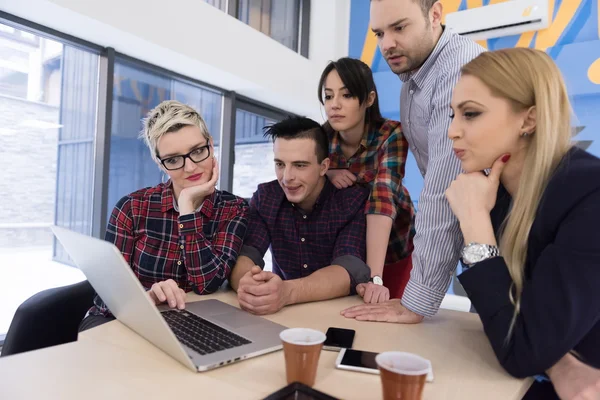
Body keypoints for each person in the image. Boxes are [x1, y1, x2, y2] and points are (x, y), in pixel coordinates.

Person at [344, 48, 600, 396]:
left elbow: (521, 351)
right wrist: (556, 359)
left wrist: (475, 222)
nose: (452, 132)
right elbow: (507, 320)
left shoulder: (589, 194)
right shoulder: (498, 193)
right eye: (452, 115)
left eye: (471, 114)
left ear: (529, 119)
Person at [79, 100, 248, 330]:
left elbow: (207, 283)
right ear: (160, 164)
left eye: (198, 151)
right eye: (174, 159)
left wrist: (187, 208)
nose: (190, 168)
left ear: (210, 145)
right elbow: (108, 296)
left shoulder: (233, 208)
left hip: (192, 327)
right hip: (123, 323)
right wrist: (147, 298)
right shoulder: (132, 207)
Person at [365, 0, 485, 321]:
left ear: (435, 15)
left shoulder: (458, 70)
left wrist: (415, 300)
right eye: (379, 33)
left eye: (399, 27)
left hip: (513, 240)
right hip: (479, 237)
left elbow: (443, 191)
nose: (386, 44)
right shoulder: (412, 81)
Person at [229, 116, 371, 315]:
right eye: (280, 164)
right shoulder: (266, 197)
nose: (287, 177)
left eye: (300, 165)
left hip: (339, 316)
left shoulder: (352, 201)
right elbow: (246, 255)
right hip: (283, 316)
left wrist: (287, 292)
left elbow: (348, 270)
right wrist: (248, 285)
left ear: (324, 167)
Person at [318, 57, 415, 303]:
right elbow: (301, 173)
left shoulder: (391, 134)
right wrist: (328, 172)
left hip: (392, 246)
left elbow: (383, 195)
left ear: (369, 99)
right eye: (329, 96)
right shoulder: (320, 138)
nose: (334, 105)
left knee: (384, 314)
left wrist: (375, 278)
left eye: (347, 95)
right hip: (345, 249)